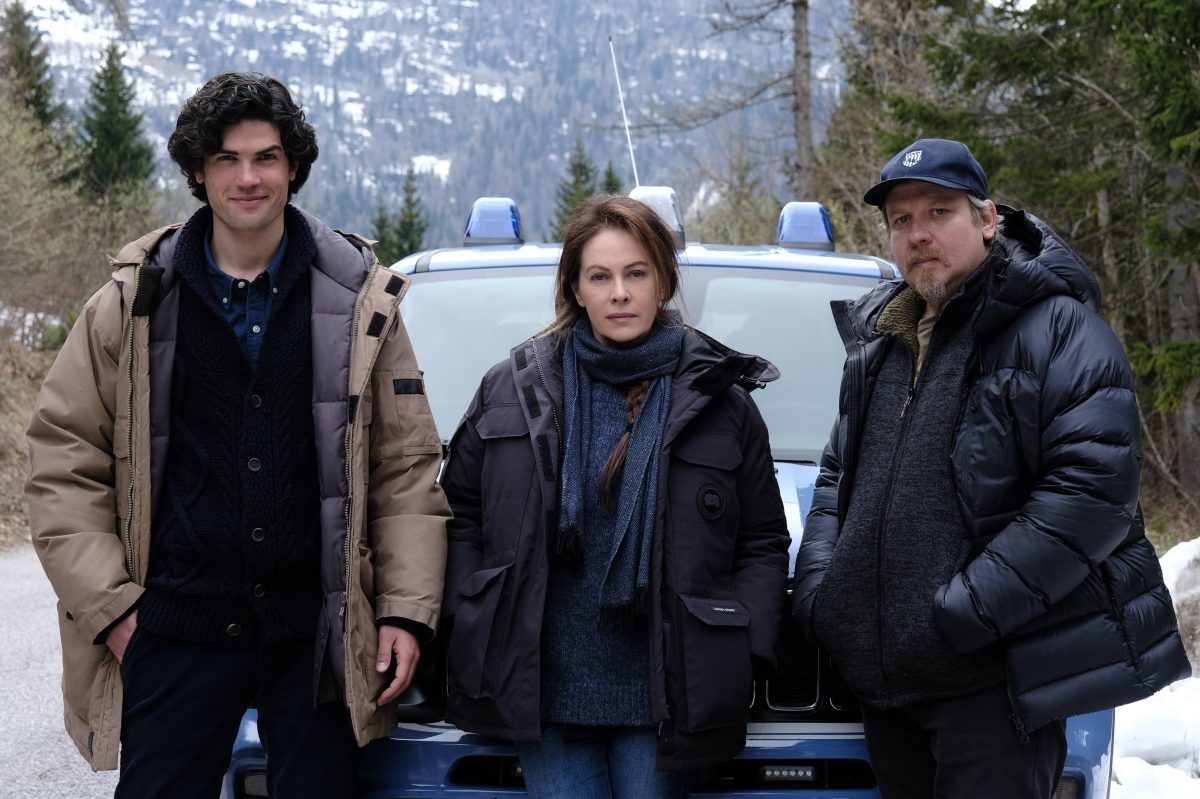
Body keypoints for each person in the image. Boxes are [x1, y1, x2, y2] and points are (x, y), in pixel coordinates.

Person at [25, 72, 450, 797]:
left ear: (293, 167)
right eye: (227, 159)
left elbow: (404, 470)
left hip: (315, 636)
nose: (248, 178)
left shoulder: (358, 300)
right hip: (172, 632)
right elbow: (63, 462)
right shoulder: (133, 301)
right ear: (199, 170)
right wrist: (116, 610)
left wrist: (406, 611)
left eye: (266, 158)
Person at [792, 137, 1192, 798]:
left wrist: (965, 614)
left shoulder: (1056, 328)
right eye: (901, 219)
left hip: (990, 689)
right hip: (889, 691)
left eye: (938, 212)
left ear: (986, 219)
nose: (918, 234)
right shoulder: (882, 343)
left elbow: (1091, 493)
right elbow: (838, 477)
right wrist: (823, 597)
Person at [439, 196, 791, 798]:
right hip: (544, 691)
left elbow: (761, 539)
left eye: (636, 273)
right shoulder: (511, 388)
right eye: (600, 277)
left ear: (663, 282)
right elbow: (459, 516)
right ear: (575, 289)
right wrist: (472, 616)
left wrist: (742, 648)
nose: (620, 294)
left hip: (665, 695)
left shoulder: (721, 400)